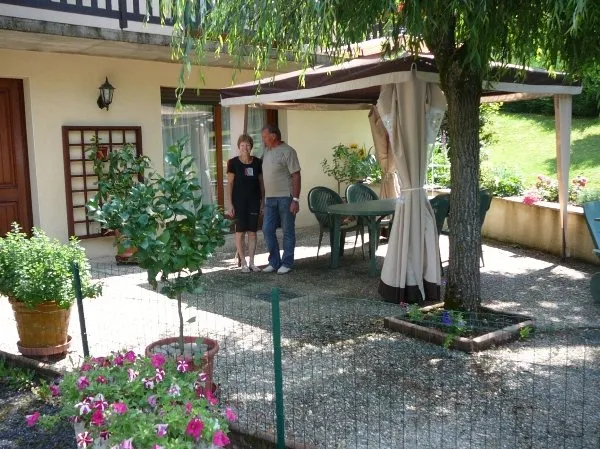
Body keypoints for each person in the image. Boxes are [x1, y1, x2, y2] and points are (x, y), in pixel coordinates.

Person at [260, 124, 301, 274]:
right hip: (270, 199)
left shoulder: (288, 151)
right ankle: (274, 262)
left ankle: (287, 263)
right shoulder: (267, 151)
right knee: (267, 229)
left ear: (273, 136)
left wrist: (295, 199)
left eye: (265, 137)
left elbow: (296, 175)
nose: (263, 140)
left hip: (286, 198)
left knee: (288, 231)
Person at [226, 134, 264, 273]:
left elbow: (261, 184)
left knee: (252, 232)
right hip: (239, 202)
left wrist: (262, 202)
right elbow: (230, 184)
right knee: (240, 232)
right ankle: (243, 262)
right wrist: (230, 204)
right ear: (239, 147)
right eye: (242, 145)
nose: (245, 148)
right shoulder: (233, 163)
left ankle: (252, 262)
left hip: (254, 201)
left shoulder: (257, 162)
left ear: (251, 147)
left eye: (247, 145)